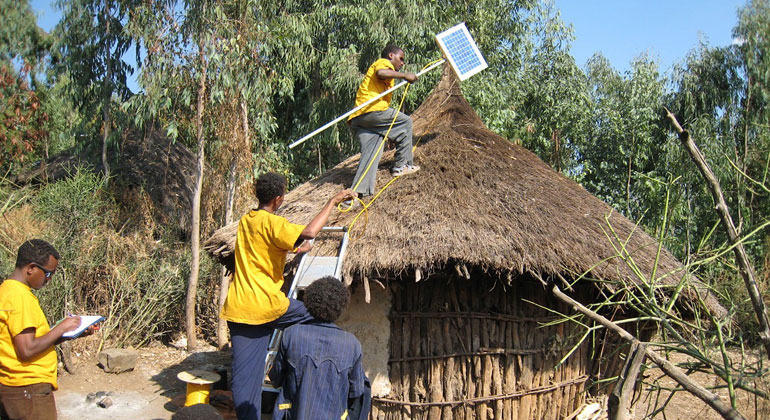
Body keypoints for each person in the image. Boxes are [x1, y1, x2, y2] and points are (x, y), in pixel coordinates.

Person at [220, 172, 355, 420]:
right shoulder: (274, 223)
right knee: (318, 314)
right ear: (278, 199)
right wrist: (332, 202)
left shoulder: (247, 221)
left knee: (244, 379)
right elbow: (310, 232)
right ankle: (306, 368)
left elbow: (265, 247)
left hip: (240, 309)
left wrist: (294, 248)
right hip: (269, 306)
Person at [0, 239, 95, 420]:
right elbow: (27, 350)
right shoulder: (20, 297)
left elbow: (28, 343)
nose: (49, 280)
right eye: (48, 273)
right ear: (31, 268)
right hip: (28, 389)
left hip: (14, 388)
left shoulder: (6, 290)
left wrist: (70, 333)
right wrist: (61, 328)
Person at [269, 277, 369, 420]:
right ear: (340, 306)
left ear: (309, 302)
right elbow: (356, 391)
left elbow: (276, 379)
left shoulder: (292, 335)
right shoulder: (351, 344)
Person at [347, 45, 420, 199]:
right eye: (400, 59)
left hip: (359, 117)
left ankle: (359, 191)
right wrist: (405, 75)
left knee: (373, 151)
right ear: (391, 55)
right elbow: (381, 73)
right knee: (405, 122)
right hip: (371, 109)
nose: (402, 63)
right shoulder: (383, 63)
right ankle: (402, 166)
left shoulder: (387, 70)